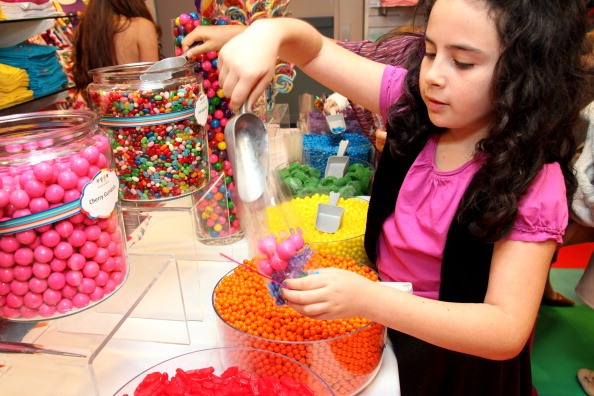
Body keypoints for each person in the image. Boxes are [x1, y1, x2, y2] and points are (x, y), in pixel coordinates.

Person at [193, 0, 591, 394]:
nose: (433, 76)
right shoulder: (411, 107)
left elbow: (505, 329)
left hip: (457, 364)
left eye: (463, 62)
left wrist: (370, 300)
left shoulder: (533, 182)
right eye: (430, 53)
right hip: (379, 332)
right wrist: (270, 32)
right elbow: (312, 48)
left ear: (525, 75)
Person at [71, 0, 161, 107]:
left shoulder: (86, 31)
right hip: (136, 114)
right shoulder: (142, 26)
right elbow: (153, 87)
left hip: (102, 113)